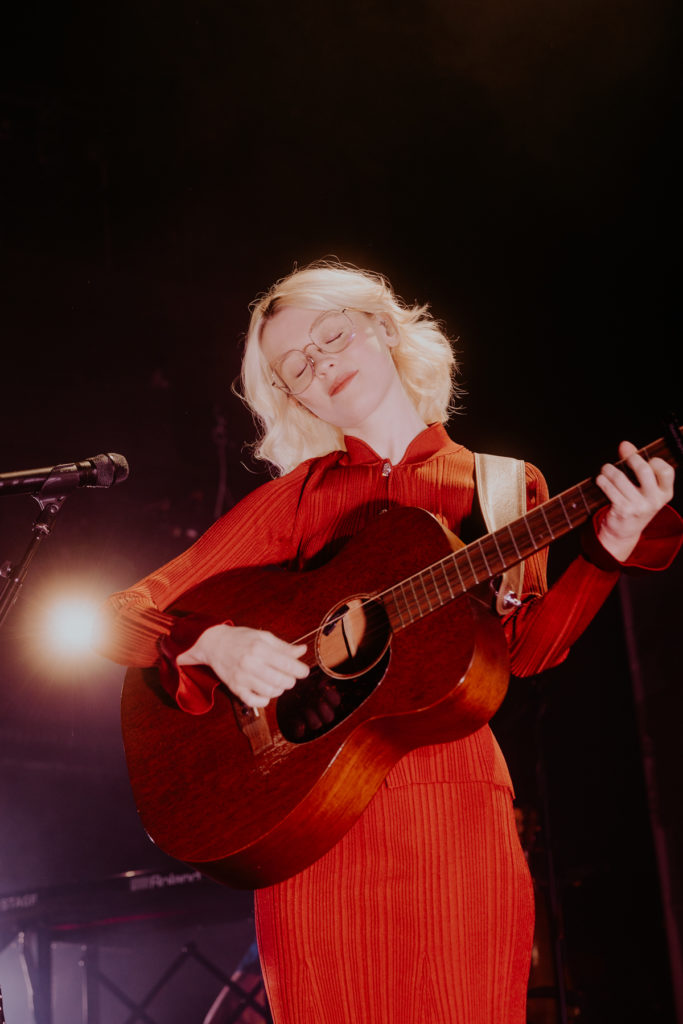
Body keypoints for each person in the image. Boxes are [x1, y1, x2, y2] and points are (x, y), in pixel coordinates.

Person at [98, 259, 682, 1024]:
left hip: (452, 808)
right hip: (306, 824)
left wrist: (609, 548)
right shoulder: (296, 497)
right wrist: (217, 642)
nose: (321, 364)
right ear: (291, 396)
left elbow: (528, 652)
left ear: (380, 326)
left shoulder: (502, 486)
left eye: (330, 336)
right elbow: (121, 617)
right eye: (294, 367)